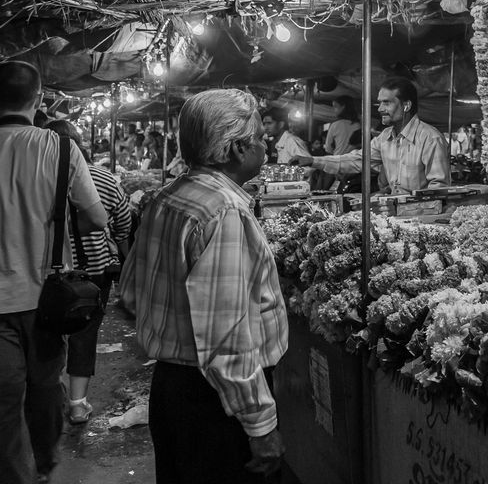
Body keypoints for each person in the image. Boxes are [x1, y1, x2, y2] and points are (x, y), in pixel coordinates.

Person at [119, 89, 287, 484]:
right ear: (236, 148)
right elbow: (226, 340)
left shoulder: (169, 196)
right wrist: (260, 424)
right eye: (261, 138)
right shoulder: (224, 212)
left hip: (171, 389)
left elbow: (130, 291)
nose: (267, 146)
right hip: (213, 403)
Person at [0, 61, 108, 484]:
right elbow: (97, 219)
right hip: (45, 297)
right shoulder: (59, 148)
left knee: (4, 399)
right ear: (39, 98)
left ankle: (17, 475)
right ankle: (43, 464)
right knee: (45, 386)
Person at [45, 120, 131, 425]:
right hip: (92, 273)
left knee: (48, 331)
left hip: (47, 271)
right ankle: (78, 404)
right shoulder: (104, 178)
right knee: (84, 332)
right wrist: (123, 249)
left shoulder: (39, 176)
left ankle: (48, 395)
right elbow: (122, 218)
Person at [293, 77, 450, 193]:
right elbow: (356, 160)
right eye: (379, 103)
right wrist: (313, 160)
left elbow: (439, 188)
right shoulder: (385, 137)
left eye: (386, 103)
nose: (380, 108)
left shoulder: (430, 138)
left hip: (422, 218)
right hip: (395, 215)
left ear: (406, 105)